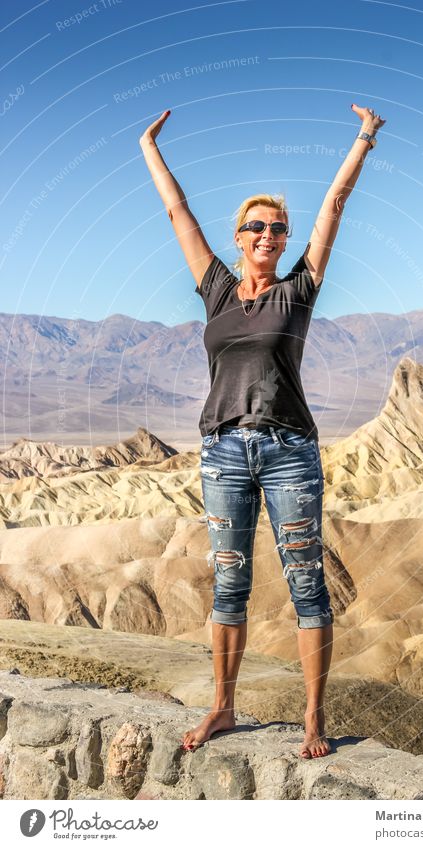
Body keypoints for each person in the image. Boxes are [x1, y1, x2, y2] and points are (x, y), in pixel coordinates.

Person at [139, 103, 386, 759]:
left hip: (288, 453)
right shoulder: (216, 289)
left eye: (277, 227)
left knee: (307, 585)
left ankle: (312, 719)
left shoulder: (298, 289)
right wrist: (148, 148)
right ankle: (220, 707)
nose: (267, 233)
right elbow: (178, 216)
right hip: (221, 453)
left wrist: (363, 138)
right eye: (255, 226)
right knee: (228, 585)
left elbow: (333, 204)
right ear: (239, 235)